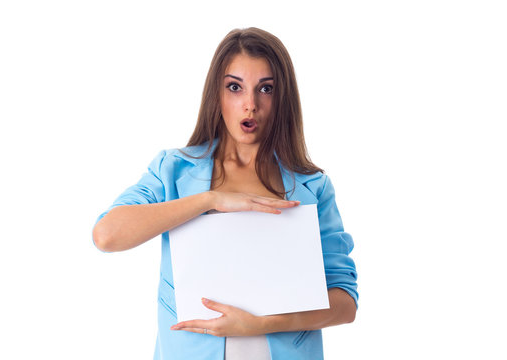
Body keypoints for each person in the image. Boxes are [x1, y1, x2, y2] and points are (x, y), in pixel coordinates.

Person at [93, 27, 358, 360]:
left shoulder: (312, 187)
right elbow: (106, 235)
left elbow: (345, 303)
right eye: (235, 87)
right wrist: (211, 200)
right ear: (216, 95)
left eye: (266, 89)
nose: (250, 105)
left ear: (282, 98)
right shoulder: (174, 171)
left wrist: (263, 324)